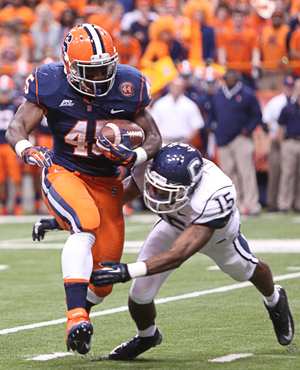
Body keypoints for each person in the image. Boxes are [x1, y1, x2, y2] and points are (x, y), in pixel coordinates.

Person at [34, 143, 295, 361]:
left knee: (245, 269)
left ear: (191, 187)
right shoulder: (151, 166)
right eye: (155, 187)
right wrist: (65, 218)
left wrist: (127, 270)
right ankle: (147, 336)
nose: (156, 195)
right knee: (140, 295)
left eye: (166, 191)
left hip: (215, 236)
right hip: (172, 224)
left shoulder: (214, 195)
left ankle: (274, 300)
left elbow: (180, 254)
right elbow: (117, 198)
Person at [5, 23, 162, 355]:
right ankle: (75, 317)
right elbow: (17, 127)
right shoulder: (49, 82)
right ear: (68, 67)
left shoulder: (129, 84)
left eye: (106, 67)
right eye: (92, 70)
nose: (102, 76)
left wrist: (135, 155)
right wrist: (27, 149)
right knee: (85, 223)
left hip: (107, 182)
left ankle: (82, 320)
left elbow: (154, 137)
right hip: (65, 170)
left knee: (103, 279)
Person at [210, 69, 262, 216]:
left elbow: (257, 115)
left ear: (238, 78)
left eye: (234, 77)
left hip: (241, 138)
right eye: (229, 77)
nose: (231, 79)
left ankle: (252, 206)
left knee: (247, 173)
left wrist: (249, 129)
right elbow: (213, 116)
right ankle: (234, 205)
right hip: (223, 139)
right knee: (228, 175)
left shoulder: (248, 94)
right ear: (224, 78)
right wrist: (214, 131)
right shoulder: (218, 95)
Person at [262, 75, 296, 212]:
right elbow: (264, 121)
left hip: (291, 140)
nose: (288, 89)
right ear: (283, 87)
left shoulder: (296, 102)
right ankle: (272, 202)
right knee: (275, 172)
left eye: (291, 87)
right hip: (277, 141)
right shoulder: (275, 102)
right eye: (286, 86)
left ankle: (292, 202)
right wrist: (270, 132)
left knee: (292, 173)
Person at [151, 77, 204, 144]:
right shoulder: (160, 104)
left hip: (183, 141)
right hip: (164, 141)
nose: (177, 88)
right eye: (175, 86)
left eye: (180, 86)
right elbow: (153, 124)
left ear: (183, 88)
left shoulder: (190, 105)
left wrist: (187, 140)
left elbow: (196, 125)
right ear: (170, 87)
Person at [0, 75, 23, 215]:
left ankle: (18, 205)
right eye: (2, 92)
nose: (4, 95)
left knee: (16, 177)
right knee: (1, 178)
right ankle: (3, 205)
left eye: (6, 92)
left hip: (11, 146)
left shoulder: (16, 107)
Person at [277, 77, 300, 212]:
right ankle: (284, 204)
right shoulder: (288, 108)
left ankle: (298, 204)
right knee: (287, 174)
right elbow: (280, 125)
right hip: (290, 142)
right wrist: (282, 143)